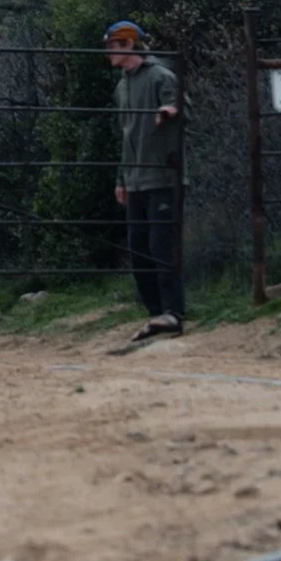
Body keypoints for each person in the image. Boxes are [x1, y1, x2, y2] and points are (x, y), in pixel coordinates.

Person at [106, 20, 184, 340]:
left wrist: (166, 113)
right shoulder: (121, 87)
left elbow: (179, 108)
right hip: (135, 179)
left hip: (162, 175)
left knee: (160, 246)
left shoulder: (161, 76)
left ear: (127, 45)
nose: (108, 52)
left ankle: (174, 312)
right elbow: (125, 136)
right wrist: (121, 178)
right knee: (138, 248)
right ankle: (155, 314)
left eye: (112, 45)